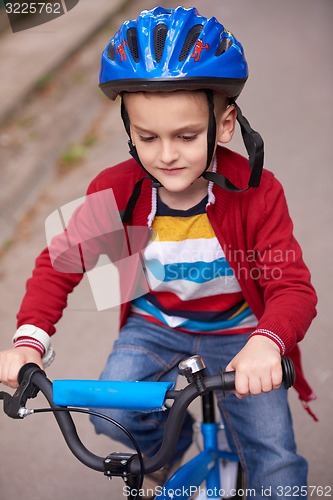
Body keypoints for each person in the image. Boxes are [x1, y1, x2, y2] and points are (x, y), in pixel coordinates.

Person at [0, 6, 317, 498]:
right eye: (147, 137)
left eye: (187, 136)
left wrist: (267, 343)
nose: (166, 155)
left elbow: (291, 286)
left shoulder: (257, 192)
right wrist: (28, 342)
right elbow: (60, 264)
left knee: (275, 464)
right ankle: (166, 454)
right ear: (129, 129)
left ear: (226, 124)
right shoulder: (116, 189)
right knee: (117, 414)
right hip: (156, 326)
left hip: (239, 331)